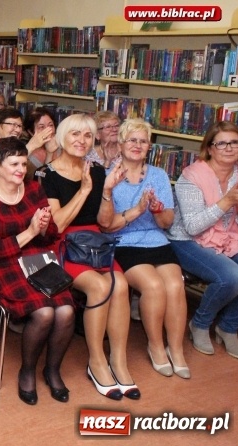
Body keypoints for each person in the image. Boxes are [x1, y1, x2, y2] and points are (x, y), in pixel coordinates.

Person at [38, 114, 135, 401]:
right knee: (100, 286)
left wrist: (104, 191)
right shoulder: (45, 174)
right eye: (75, 135)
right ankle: (97, 362)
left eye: (88, 136)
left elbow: (105, 222)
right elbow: (57, 224)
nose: (82, 141)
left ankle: (118, 360)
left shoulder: (98, 171)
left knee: (122, 285)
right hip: (63, 244)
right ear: (63, 138)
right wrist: (83, 190)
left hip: (95, 242)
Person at [0, 137, 74, 405]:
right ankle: (27, 371)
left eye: (23, 162)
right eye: (14, 163)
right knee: (43, 313)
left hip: (36, 258)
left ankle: (52, 370)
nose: (21, 168)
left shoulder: (33, 190)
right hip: (3, 265)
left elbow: (49, 236)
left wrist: (42, 227)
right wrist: (29, 231)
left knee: (65, 311)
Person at [97, 118, 189, 378]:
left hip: (157, 241)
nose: (137, 145)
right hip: (124, 242)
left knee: (175, 285)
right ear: (121, 143)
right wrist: (137, 211)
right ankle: (156, 346)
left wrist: (158, 210)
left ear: (149, 146)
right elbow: (106, 226)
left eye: (142, 141)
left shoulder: (159, 176)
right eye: (131, 140)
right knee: (154, 286)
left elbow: (167, 222)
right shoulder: (109, 176)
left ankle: (177, 349)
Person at [167, 121, 238, 360]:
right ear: (210, 148)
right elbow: (192, 226)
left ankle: (228, 327)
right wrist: (227, 202)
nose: (229, 148)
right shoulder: (191, 177)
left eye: (235, 142)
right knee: (232, 276)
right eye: (222, 143)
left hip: (228, 235)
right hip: (186, 240)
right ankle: (200, 324)